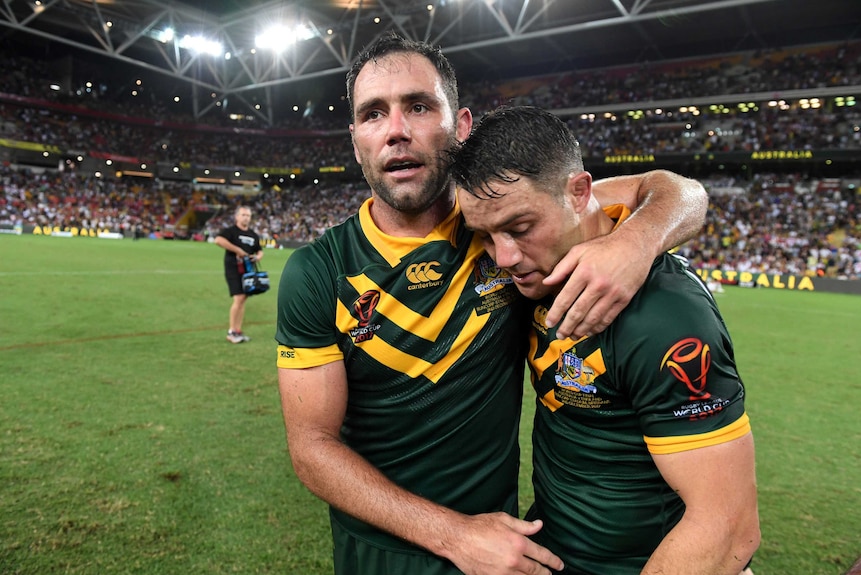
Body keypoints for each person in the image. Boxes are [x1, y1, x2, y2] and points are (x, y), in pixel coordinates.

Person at [275, 33, 708, 575]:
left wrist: (635, 243)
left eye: (418, 105)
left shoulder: (509, 222)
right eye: (373, 114)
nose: (396, 131)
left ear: (460, 127)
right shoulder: (318, 272)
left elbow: (675, 191)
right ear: (356, 139)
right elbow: (312, 449)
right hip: (380, 555)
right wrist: (452, 535)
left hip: (504, 552)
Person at [450, 105, 760, 575]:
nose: (505, 257)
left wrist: (638, 240)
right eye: (487, 236)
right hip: (554, 548)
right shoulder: (542, 259)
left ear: (579, 195)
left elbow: (728, 527)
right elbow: (657, 188)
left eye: (520, 228)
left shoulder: (665, 317)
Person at [214, 205, 263, 344]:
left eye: (248, 215)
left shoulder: (253, 235)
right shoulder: (231, 231)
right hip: (233, 268)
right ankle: (232, 331)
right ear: (237, 217)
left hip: (248, 270)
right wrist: (238, 250)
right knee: (239, 297)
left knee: (243, 299)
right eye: (243, 215)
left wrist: (259, 256)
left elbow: (259, 250)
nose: (246, 217)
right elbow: (218, 240)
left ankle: (238, 330)